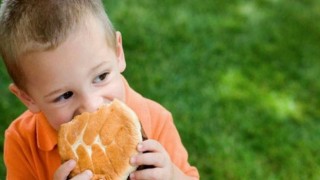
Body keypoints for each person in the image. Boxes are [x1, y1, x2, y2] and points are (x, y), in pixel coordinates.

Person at [0, 0, 199, 179]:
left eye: (101, 77)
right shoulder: (22, 141)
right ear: (28, 98)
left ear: (118, 53)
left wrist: (172, 175)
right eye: (65, 95)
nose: (92, 106)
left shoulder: (157, 120)